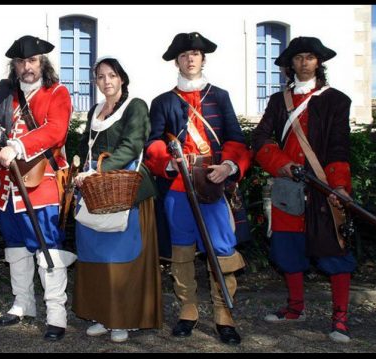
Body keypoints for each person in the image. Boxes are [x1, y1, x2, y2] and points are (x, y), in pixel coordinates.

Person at [145, 32, 251, 346]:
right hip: (178, 185)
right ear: (176, 61)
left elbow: (235, 140)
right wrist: (168, 161)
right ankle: (188, 310)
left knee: (222, 249)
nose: (190, 59)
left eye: (195, 53)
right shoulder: (163, 102)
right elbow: (152, 144)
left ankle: (224, 315)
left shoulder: (220, 96)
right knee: (181, 251)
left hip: (212, 183)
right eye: (184, 55)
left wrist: (228, 166)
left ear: (203, 58)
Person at [0, 35, 75, 341]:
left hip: (41, 183)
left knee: (47, 248)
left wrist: (16, 144)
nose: (26, 67)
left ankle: (56, 313)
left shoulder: (57, 92)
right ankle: (23, 303)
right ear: (13, 65)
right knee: (14, 247)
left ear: (42, 63)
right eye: (20, 62)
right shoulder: (4, 93)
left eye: (32, 61)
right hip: (5, 188)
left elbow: (55, 131)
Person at [251, 36, 357, 343]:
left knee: (334, 250)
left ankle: (340, 318)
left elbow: (339, 146)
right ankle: (296, 307)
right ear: (291, 64)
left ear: (318, 62)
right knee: (288, 249)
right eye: (298, 58)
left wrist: (338, 186)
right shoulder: (277, 102)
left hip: (323, 187)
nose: (304, 62)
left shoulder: (337, 100)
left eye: (310, 57)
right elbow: (260, 139)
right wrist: (282, 164)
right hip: (288, 187)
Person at [71, 57, 161, 343]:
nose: (106, 81)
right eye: (100, 77)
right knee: (95, 254)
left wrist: (96, 172)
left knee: (120, 257)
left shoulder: (136, 106)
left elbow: (132, 146)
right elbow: (86, 145)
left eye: (112, 75)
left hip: (126, 189)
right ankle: (101, 313)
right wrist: (76, 168)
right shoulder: (95, 110)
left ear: (122, 78)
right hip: (96, 191)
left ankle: (123, 318)